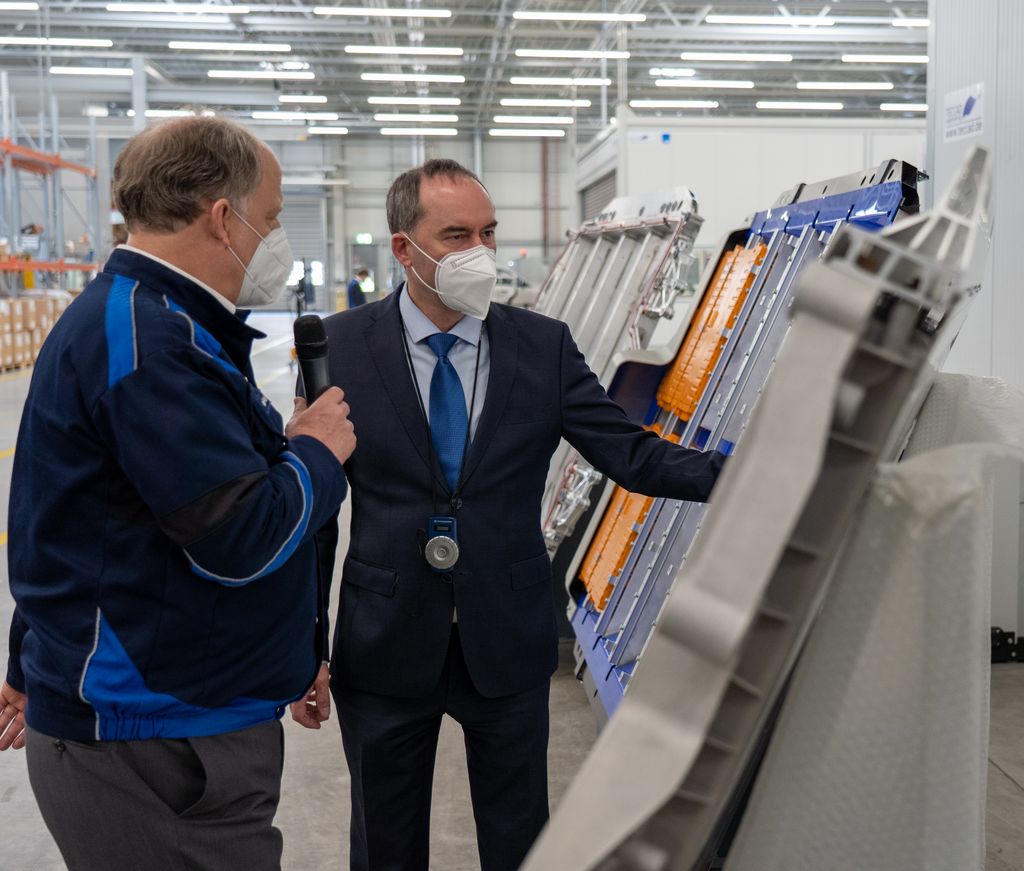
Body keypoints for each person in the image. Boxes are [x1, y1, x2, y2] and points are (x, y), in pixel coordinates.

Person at [290, 158, 726, 871]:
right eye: (456, 235)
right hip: (385, 638)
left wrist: (748, 473)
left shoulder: (541, 347)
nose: (480, 252)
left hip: (507, 637)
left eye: (488, 233)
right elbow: (315, 508)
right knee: (384, 845)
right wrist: (305, 643)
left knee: (519, 838)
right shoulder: (338, 348)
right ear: (404, 248)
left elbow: (630, 455)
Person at [0, 117, 356, 871]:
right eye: (271, 218)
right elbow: (242, 537)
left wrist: (30, 659)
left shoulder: (151, 324)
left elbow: (71, 519)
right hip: (155, 743)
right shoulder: (151, 344)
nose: (275, 239)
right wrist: (317, 453)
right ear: (223, 218)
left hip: (168, 721)